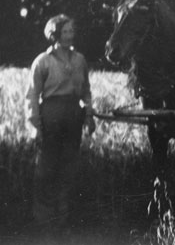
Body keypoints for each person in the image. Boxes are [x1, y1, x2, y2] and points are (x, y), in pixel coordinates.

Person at [26, 14, 96, 230]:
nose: (69, 36)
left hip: (73, 117)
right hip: (51, 116)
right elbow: (32, 96)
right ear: (54, 35)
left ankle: (63, 218)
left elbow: (86, 92)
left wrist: (89, 116)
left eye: (71, 31)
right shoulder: (42, 61)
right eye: (65, 32)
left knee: (69, 166)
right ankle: (43, 221)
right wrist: (34, 126)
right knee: (46, 168)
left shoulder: (80, 60)